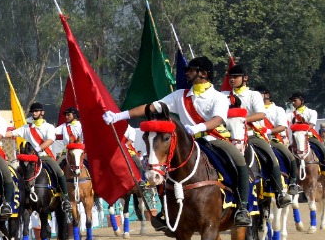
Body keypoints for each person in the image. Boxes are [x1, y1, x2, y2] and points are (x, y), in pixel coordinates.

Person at [104, 56, 251, 227]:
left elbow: (218, 120)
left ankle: (242, 208)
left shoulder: (218, 97)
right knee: (161, 169)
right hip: (185, 143)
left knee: (239, 163)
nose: (187, 73)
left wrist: (198, 128)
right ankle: (166, 211)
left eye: (191, 70)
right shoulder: (180, 95)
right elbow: (151, 107)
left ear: (203, 73)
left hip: (212, 139)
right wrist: (120, 115)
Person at [224, 66, 290, 207]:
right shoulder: (223, 95)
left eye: (236, 76)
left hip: (252, 135)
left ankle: (279, 192)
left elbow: (261, 114)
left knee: (271, 157)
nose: (232, 79)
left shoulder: (253, 95)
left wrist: (243, 120)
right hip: (228, 136)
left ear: (245, 78)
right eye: (230, 76)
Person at [4, 103, 72, 210]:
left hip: (44, 156)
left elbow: (50, 140)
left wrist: (38, 149)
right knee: (16, 174)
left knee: (60, 173)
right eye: (33, 111)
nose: (34, 113)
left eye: (36, 111)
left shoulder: (48, 127)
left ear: (42, 113)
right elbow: (12, 133)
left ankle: (66, 199)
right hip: (29, 159)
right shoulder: (26, 128)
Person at [260, 87, 303, 196]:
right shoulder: (253, 109)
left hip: (272, 139)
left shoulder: (278, 110)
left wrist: (268, 131)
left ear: (268, 95)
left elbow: (282, 126)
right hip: (256, 138)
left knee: (290, 157)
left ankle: (293, 182)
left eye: (261, 93)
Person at [289, 92, 324, 163]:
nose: (293, 102)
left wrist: (302, 131)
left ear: (302, 100)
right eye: (292, 101)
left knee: (322, 148)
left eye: (295, 100)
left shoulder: (312, 112)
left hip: (309, 137)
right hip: (296, 139)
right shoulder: (290, 115)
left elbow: (311, 125)